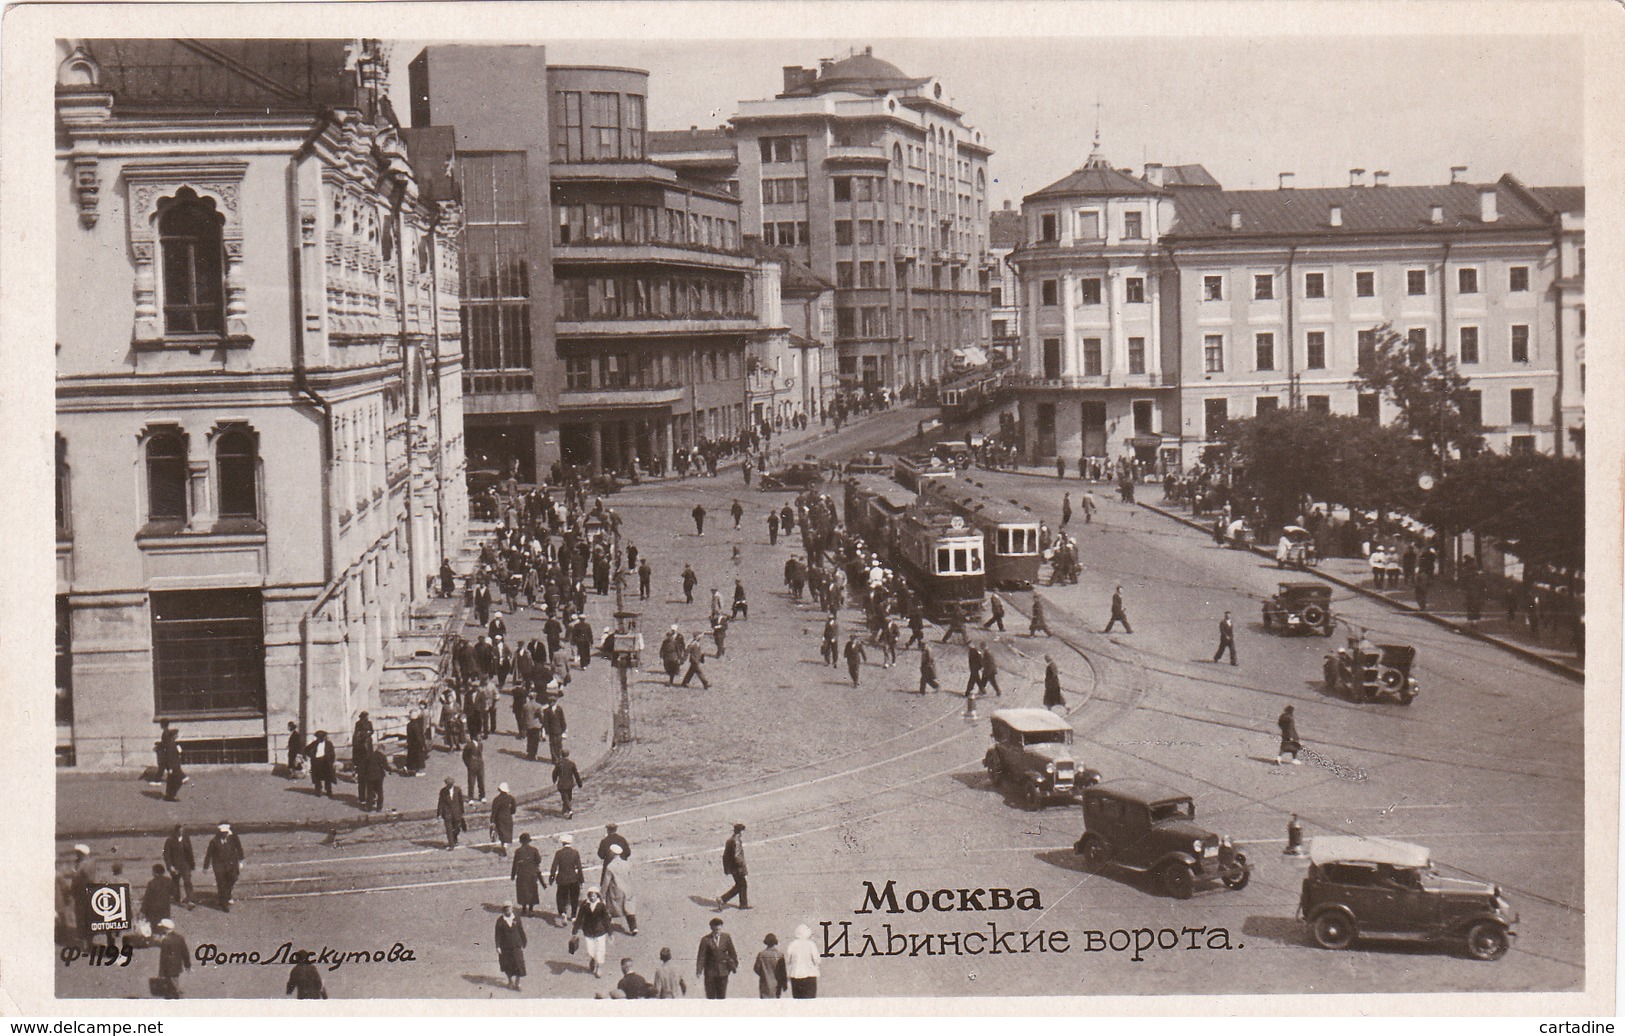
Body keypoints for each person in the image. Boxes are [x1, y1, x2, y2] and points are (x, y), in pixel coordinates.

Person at [202, 823, 244, 912]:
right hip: (219, 866)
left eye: (226, 832)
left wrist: (241, 860)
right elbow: (209, 854)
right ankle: (224, 904)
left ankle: (227, 895)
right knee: (222, 884)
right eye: (223, 832)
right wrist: (205, 866)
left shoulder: (233, 839)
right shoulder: (214, 842)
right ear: (219, 833)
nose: (225, 834)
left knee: (233, 879)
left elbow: (239, 848)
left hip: (231, 865)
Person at [573, 887, 614, 978]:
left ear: (597, 896)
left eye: (594, 895)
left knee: (600, 949)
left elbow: (606, 920)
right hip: (588, 931)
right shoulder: (584, 905)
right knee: (590, 950)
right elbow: (579, 918)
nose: (592, 898)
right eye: (591, 895)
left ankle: (599, 966)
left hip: (600, 931)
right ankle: (592, 959)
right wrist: (574, 931)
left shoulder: (602, 906)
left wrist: (610, 933)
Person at [695, 917, 739, 1000]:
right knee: (710, 996)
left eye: (719, 929)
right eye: (716, 930)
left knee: (721, 997)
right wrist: (699, 970)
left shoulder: (726, 937)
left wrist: (734, 965)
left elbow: (732, 952)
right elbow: (701, 956)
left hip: (723, 972)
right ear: (712, 928)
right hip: (710, 973)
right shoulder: (705, 940)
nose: (717, 932)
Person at [602, 844, 639, 936]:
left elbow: (606, 881)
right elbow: (631, 877)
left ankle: (607, 925)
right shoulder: (626, 864)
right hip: (627, 889)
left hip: (616, 890)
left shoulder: (610, 866)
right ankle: (633, 927)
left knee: (609, 907)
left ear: (613, 853)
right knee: (629, 909)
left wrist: (602, 893)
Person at [551, 833, 584, 922]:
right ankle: (573, 916)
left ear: (562, 843)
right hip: (573, 878)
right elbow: (579, 867)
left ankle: (563, 913)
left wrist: (551, 878)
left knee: (561, 896)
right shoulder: (575, 853)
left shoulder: (558, 853)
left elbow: (554, 867)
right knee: (574, 897)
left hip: (562, 878)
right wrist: (581, 880)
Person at [495, 903, 528, 990]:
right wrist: (497, 946)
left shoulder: (516, 918)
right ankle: (510, 981)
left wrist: (524, 942)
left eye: (509, 908)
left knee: (519, 963)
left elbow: (521, 930)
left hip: (516, 945)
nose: (508, 910)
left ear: (512, 908)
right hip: (505, 947)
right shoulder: (500, 921)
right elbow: (497, 934)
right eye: (506, 909)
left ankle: (517, 982)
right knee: (507, 965)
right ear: (503, 910)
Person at [154, 918, 190, 999]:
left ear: (165, 928)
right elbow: (185, 952)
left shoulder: (166, 941)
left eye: (162, 928)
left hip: (168, 967)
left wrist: (161, 973)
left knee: (172, 986)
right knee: (175, 981)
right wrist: (187, 965)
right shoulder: (180, 938)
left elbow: (163, 958)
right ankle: (176, 995)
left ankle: (177, 997)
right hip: (177, 966)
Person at [512, 833, 545, 917]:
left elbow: (515, 864)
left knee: (523, 891)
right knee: (532, 891)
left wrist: (513, 875)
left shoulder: (518, 851)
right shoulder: (534, 850)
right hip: (532, 873)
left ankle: (523, 908)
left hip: (522, 873)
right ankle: (531, 910)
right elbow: (538, 860)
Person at [163, 825, 195, 908]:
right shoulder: (170, 840)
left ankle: (189, 899)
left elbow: (190, 852)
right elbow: (166, 855)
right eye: (180, 831)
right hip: (175, 865)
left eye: (182, 831)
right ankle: (177, 898)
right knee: (175, 882)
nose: (181, 832)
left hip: (185, 865)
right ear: (176, 831)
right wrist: (170, 866)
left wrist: (192, 865)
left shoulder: (186, 839)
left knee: (187, 881)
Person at [784, 923, 819, 998]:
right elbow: (817, 960)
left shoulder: (792, 944)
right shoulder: (811, 944)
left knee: (798, 1001)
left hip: (796, 975)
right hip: (810, 975)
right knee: (810, 1001)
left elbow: (787, 960)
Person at [719, 822, 749, 909]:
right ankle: (723, 899)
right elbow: (737, 856)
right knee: (742, 884)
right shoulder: (736, 841)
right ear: (740, 832)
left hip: (732, 867)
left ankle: (743, 904)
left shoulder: (730, 840)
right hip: (737, 867)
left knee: (740, 884)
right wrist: (742, 867)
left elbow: (725, 856)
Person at [140, 863, 176, 931]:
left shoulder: (151, 883)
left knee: (154, 927)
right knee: (164, 925)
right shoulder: (168, 881)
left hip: (153, 909)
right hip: (165, 907)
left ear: (154, 872)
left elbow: (147, 899)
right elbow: (174, 892)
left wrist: (143, 910)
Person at [754, 933, 788, 998]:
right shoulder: (780, 955)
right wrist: (784, 984)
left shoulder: (761, 954)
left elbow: (756, 969)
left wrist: (763, 974)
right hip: (777, 985)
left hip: (765, 984)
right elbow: (783, 972)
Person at [553, 748, 584, 818]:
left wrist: (554, 780)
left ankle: (569, 810)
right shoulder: (571, 763)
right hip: (570, 784)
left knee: (565, 798)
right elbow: (576, 774)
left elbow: (555, 773)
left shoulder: (559, 763)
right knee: (568, 797)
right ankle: (564, 811)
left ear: (561, 755)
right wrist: (579, 783)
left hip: (562, 784)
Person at [436, 777, 466, 849]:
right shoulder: (443, 791)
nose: (448, 786)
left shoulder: (457, 790)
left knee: (456, 828)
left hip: (456, 812)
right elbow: (441, 803)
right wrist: (439, 814)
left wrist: (462, 811)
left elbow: (460, 801)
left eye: (450, 785)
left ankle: (454, 840)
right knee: (449, 829)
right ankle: (451, 844)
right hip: (447, 813)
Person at [305, 730, 336, 797]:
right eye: (319, 738)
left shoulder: (329, 744)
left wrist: (331, 761)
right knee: (317, 777)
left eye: (322, 738)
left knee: (327, 777)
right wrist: (312, 756)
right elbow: (306, 749)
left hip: (326, 762)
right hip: (317, 762)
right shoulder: (314, 743)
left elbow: (332, 753)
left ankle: (328, 791)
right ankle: (318, 790)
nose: (320, 739)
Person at [490, 783, 517, 857]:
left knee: (501, 832)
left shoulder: (496, 799)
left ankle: (503, 846)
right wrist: (510, 812)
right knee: (507, 832)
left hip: (499, 818)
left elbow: (494, 811)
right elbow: (513, 809)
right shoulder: (511, 798)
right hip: (508, 817)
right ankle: (505, 846)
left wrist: (492, 821)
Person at [360, 743, 388, 813]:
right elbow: (386, 767)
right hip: (379, 776)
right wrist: (392, 770)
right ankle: (379, 807)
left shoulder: (370, 755)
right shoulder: (382, 756)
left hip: (370, 776)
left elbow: (364, 766)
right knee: (380, 791)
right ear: (382, 750)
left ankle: (369, 807)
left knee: (369, 792)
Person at [462, 735, 487, 802]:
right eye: (478, 736)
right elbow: (464, 756)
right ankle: (470, 797)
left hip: (480, 764)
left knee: (481, 780)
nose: (480, 737)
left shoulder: (480, 745)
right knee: (471, 782)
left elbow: (480, 753)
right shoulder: (468, 746)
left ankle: (482, 796)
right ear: (475, 738)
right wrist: (469, 764)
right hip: (472, 765)